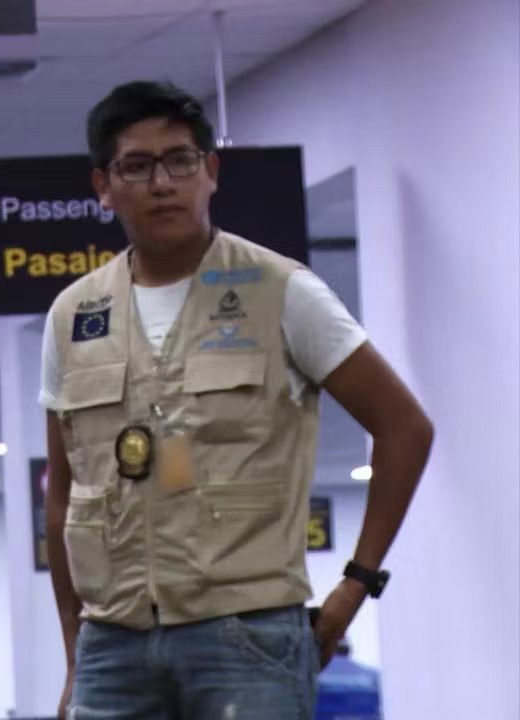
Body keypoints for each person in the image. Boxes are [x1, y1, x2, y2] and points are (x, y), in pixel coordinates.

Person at [41, 81, 433, 720]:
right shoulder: (74, 314)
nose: (162, 183)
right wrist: (73, 656)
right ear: (103, 186)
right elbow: (62, 495)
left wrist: (356, 584)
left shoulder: (282, 291)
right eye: (136, 166)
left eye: (180, 160)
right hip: (113, 644)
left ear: (211, 172)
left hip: (248, 634)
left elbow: (404, 428)